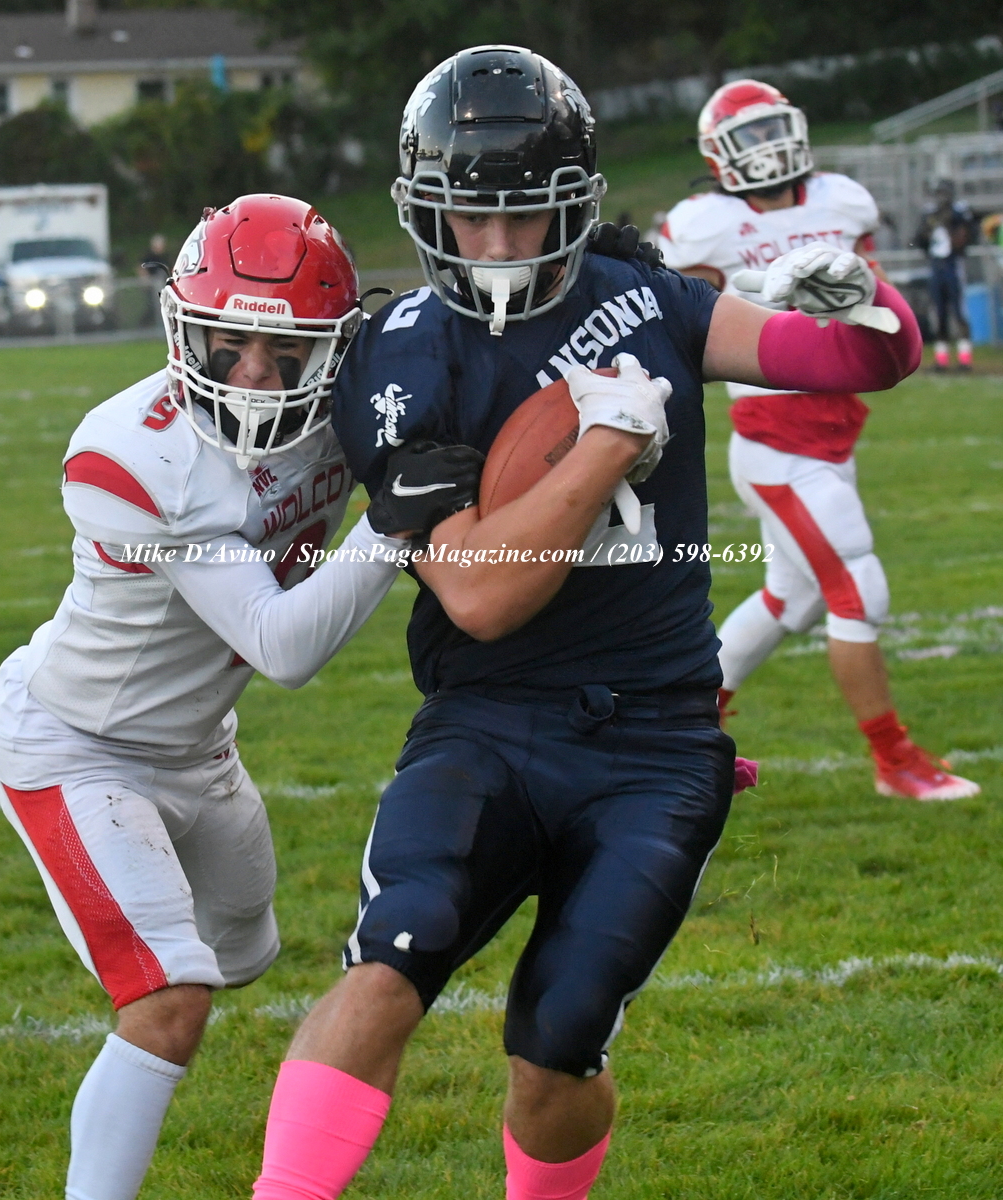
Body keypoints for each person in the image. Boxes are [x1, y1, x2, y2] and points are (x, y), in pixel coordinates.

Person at [247, 47, 923, 1200]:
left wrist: (864, 291)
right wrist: (606, 445)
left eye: (527, 214)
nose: (497, 244)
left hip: (656, 741)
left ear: (578, 202)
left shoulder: (650, 300)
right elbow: (478, 594)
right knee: (392, 956)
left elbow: (865, 360)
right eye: (469, 216)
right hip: (488, 718)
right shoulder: (398, 353)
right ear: (423, 210)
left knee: (558, 1036)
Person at [0, 193, 481, 1200]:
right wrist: (390, 526)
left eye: (284, 349)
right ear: (187, 327)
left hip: (202, 748)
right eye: (229, 341)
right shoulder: (137, 452)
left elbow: (458, 343)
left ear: (331, 350)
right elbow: (281, 645)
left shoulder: (349, 401)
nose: (252, 372)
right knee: (170, 1003)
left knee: (246, 953)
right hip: (80, 746)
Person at [659, 80, 979, 803]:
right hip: (777, 442)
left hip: (835, 432)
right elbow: (675, 321)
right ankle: (894, 760)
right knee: (858, 589)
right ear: (717, 155)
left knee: (793, 599)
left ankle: (678, 729)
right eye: (749, 136)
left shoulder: (841, 201)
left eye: (774, 128)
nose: (768, 147)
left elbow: (875, 301)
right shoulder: (703, 225)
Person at [915, 178, 978, 371]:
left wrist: (951, 224)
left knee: (959, 311)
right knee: (939, 313)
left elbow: (969, 234)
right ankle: (941, 359)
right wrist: (929, 227)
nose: (941, 198)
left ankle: (965, 358)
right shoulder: (930, 214)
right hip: (936, 266)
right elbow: (919, 240)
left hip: (953, 265)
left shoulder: (959, 212)